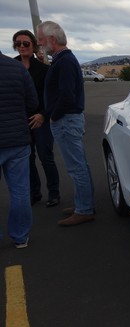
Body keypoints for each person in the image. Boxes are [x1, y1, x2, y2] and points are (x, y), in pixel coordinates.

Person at [37, 20, 95, 226]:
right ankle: (84, 203)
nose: (39, 43)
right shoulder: (63, 60)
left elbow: (67, 95)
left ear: (52, 39)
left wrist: (53, 115)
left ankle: (84, 209)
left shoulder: (64, 62)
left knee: (76, 167)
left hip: (66, 120)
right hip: (68, 119)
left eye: (40, 39)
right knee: (80, 165)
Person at [13, 29, 61, 207]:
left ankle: (54, 193)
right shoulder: (12, 66)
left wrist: (43, 115)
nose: (22, 46)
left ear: (33, 45)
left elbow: (52, 97)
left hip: (41, 119)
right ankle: (34, 193)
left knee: (45, 157)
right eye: (18, 43)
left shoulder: (43, 69)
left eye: (26, 43)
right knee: (27, 159)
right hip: (20, 121)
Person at [0, 48, 38, 248]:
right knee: (20, 191)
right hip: (17, 139)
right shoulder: (17, 68)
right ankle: (20, 236)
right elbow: (33, 102)